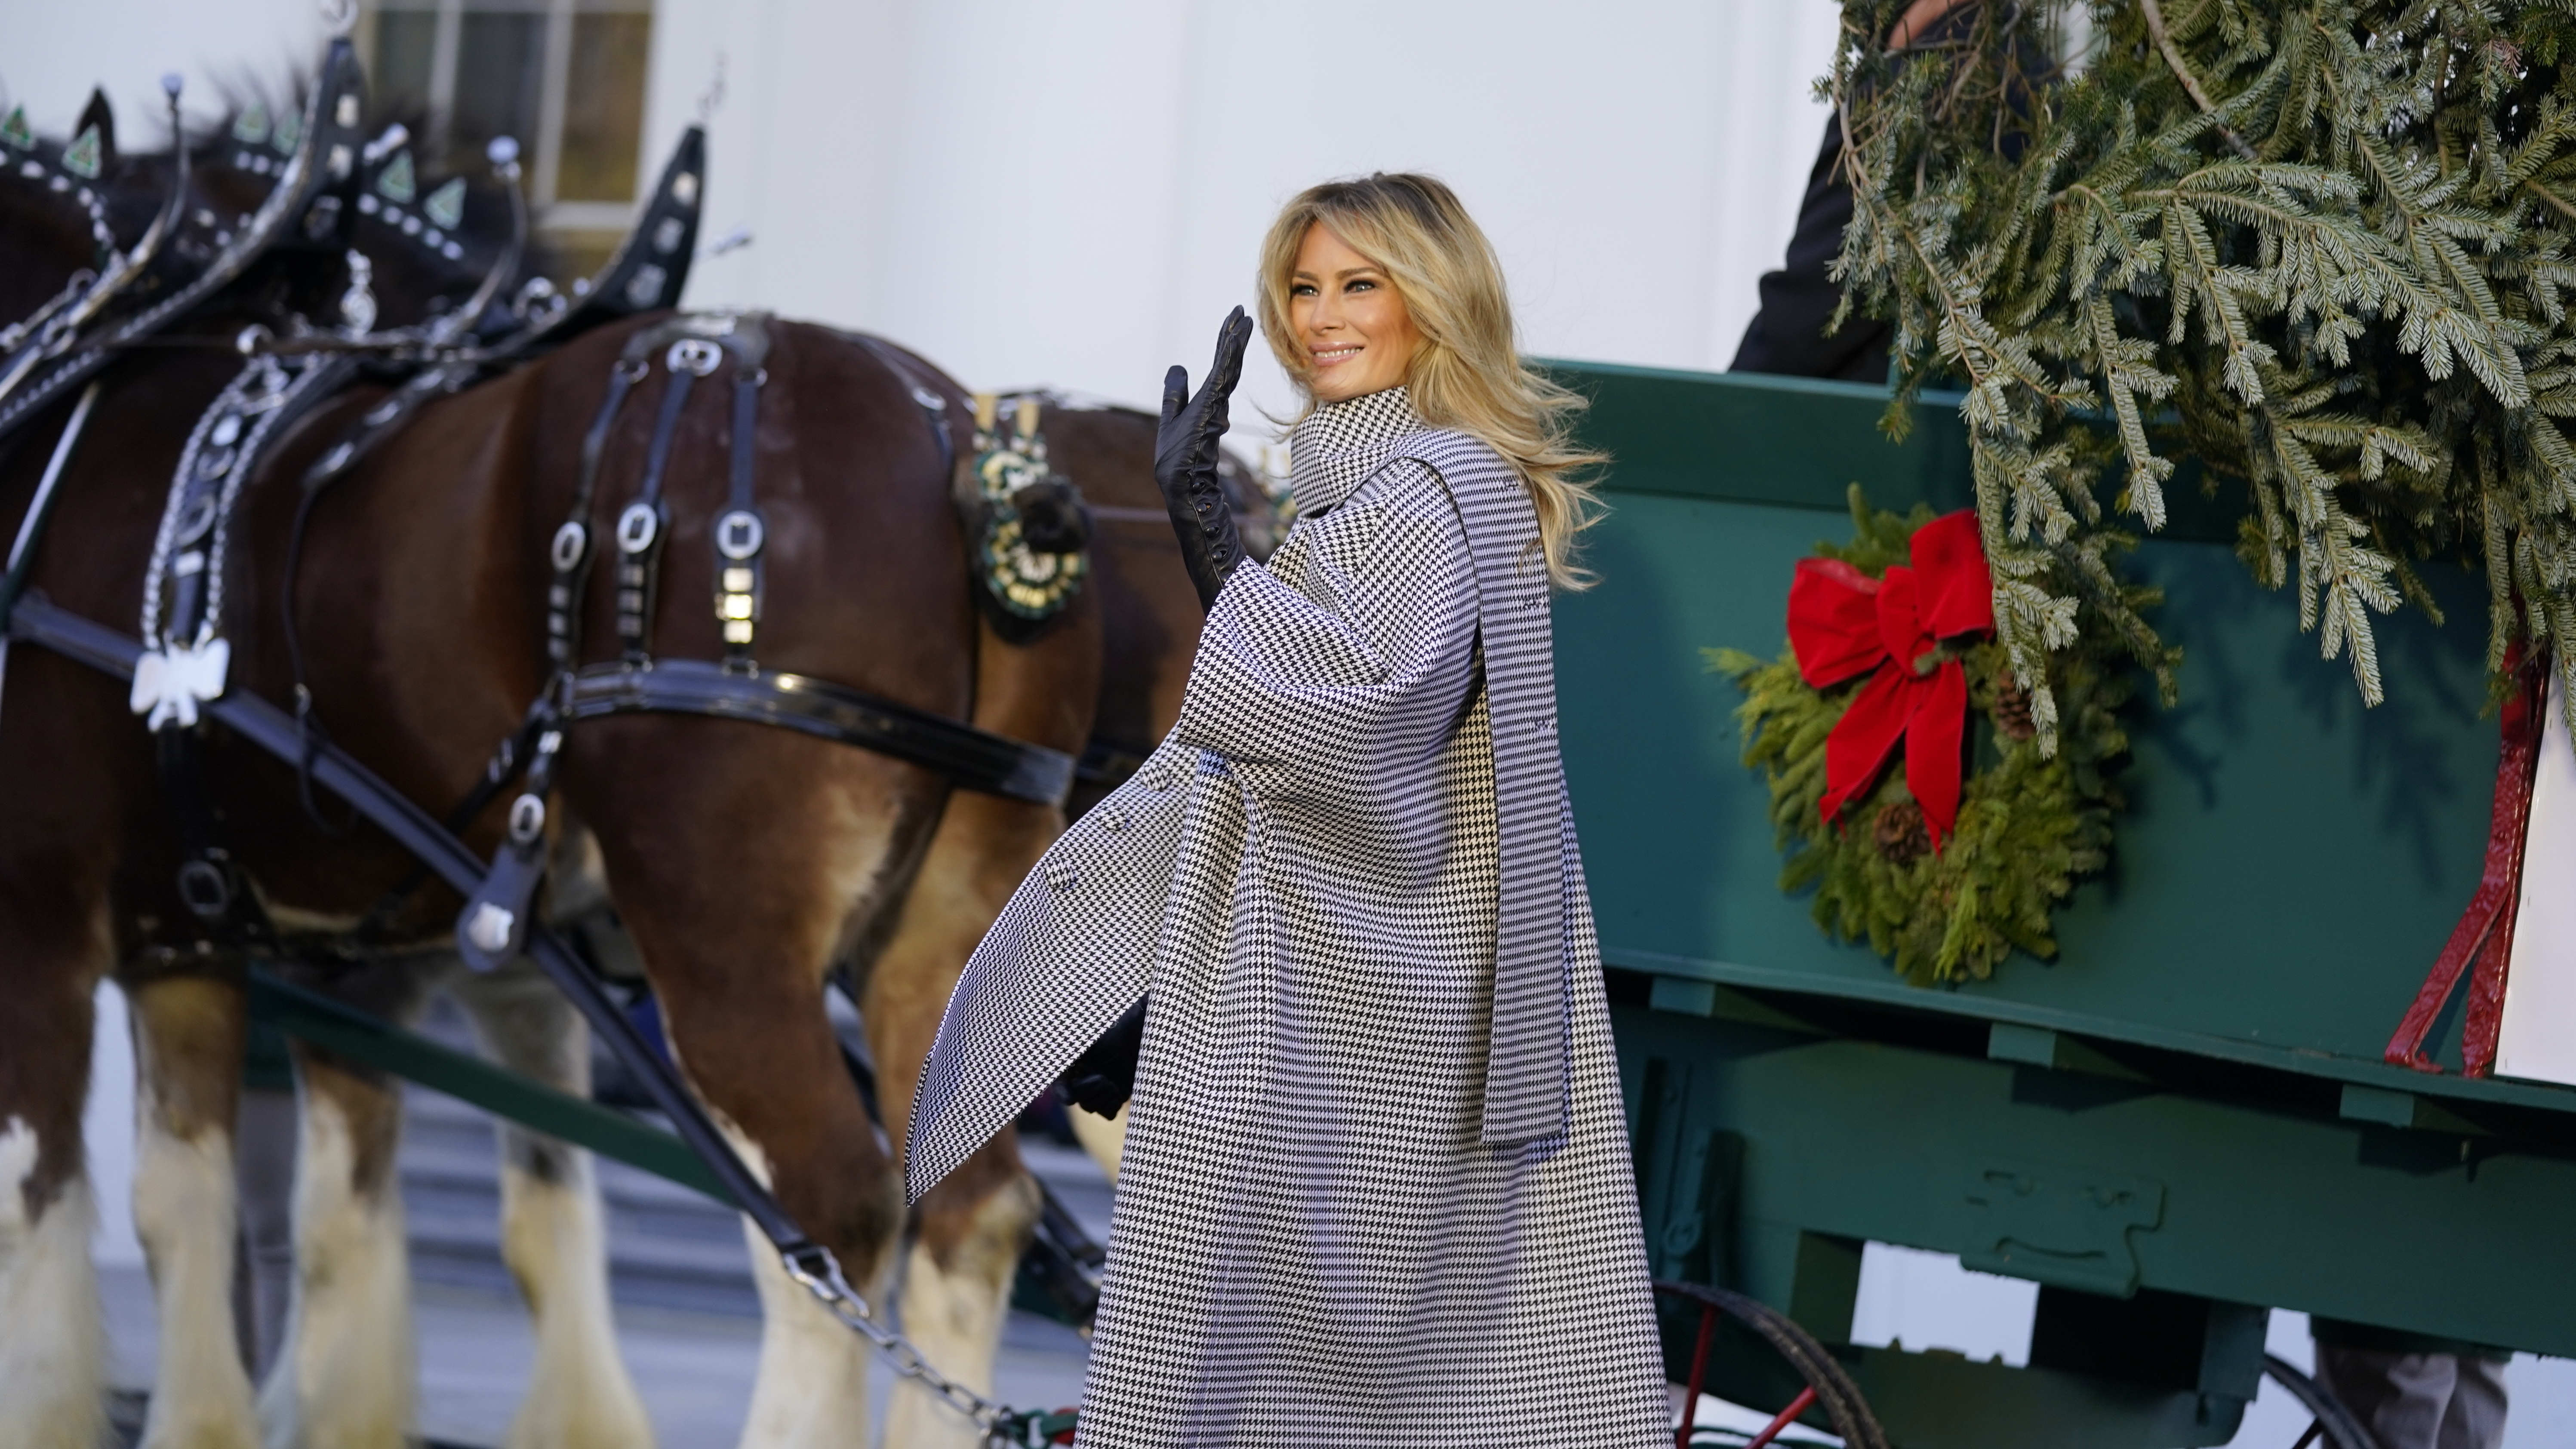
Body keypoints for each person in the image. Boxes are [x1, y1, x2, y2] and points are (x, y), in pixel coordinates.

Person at [905, 172, 1668, 1446]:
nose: (1320, 316)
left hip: (1348, 1022)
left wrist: (1210, 543)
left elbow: (1352, 724)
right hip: (1326, 972)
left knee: (1250, 1366)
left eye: (1359, 285)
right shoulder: (1385, 488)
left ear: (1436, 301)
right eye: (1303, 288)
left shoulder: (1424, 491)